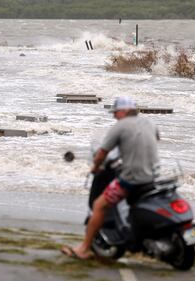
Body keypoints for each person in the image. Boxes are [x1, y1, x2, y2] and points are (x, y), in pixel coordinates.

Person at [61, 96, 160, 259]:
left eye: (116, 113)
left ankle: (84, 248)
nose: (114, 116)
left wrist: (95, 167)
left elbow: (101, 154)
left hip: (131, 180)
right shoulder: (149, 123)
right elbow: (154, 140)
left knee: (99, 205)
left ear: (123, 111)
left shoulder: (120, 126)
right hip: (152, 178)